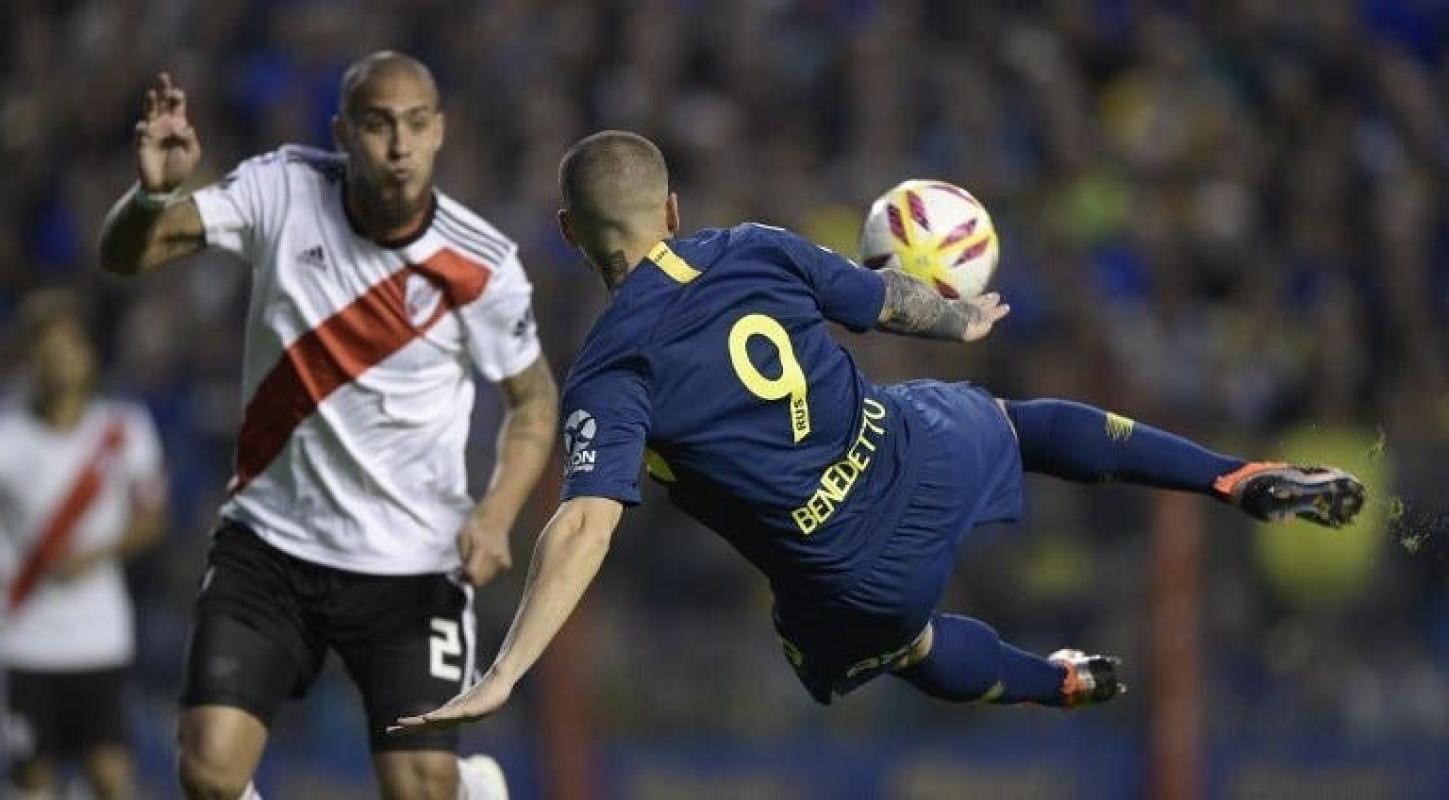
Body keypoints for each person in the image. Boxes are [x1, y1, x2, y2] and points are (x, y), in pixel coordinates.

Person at [391, 130, 1365, 733]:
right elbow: (885, 301)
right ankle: (1234, 475)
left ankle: (1051, 683)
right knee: (1021, 425)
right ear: (674, 210)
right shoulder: (755, 246)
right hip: (920, 449)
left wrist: (506, 668)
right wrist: (960, 321)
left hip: (851, 574)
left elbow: (584, 524)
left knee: (903, 649)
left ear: (569, 232)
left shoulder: (609, 371)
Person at [97, 53, 556, 799]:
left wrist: (497, 514)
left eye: (416, 125)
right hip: (271, 544)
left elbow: (533, 401)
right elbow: (126, 256)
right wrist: (153, 196)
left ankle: (467, 785)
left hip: (412, 562)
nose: (399, 146)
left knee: (420, 789)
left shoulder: (481, 263)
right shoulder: (283, 188)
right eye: (378, 125)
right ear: (343, 133)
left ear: (439, 132)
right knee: (208, 772)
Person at [0, 290, 168, 799]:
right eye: (44, 351)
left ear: (87, 355)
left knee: (111, 778)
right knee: (33, 783)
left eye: (66, 349)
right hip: (23, 638)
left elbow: (152, 518)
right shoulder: (7, 434)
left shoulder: (123, 430)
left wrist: (96, 554)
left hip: (99, 636)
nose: (56, 363)